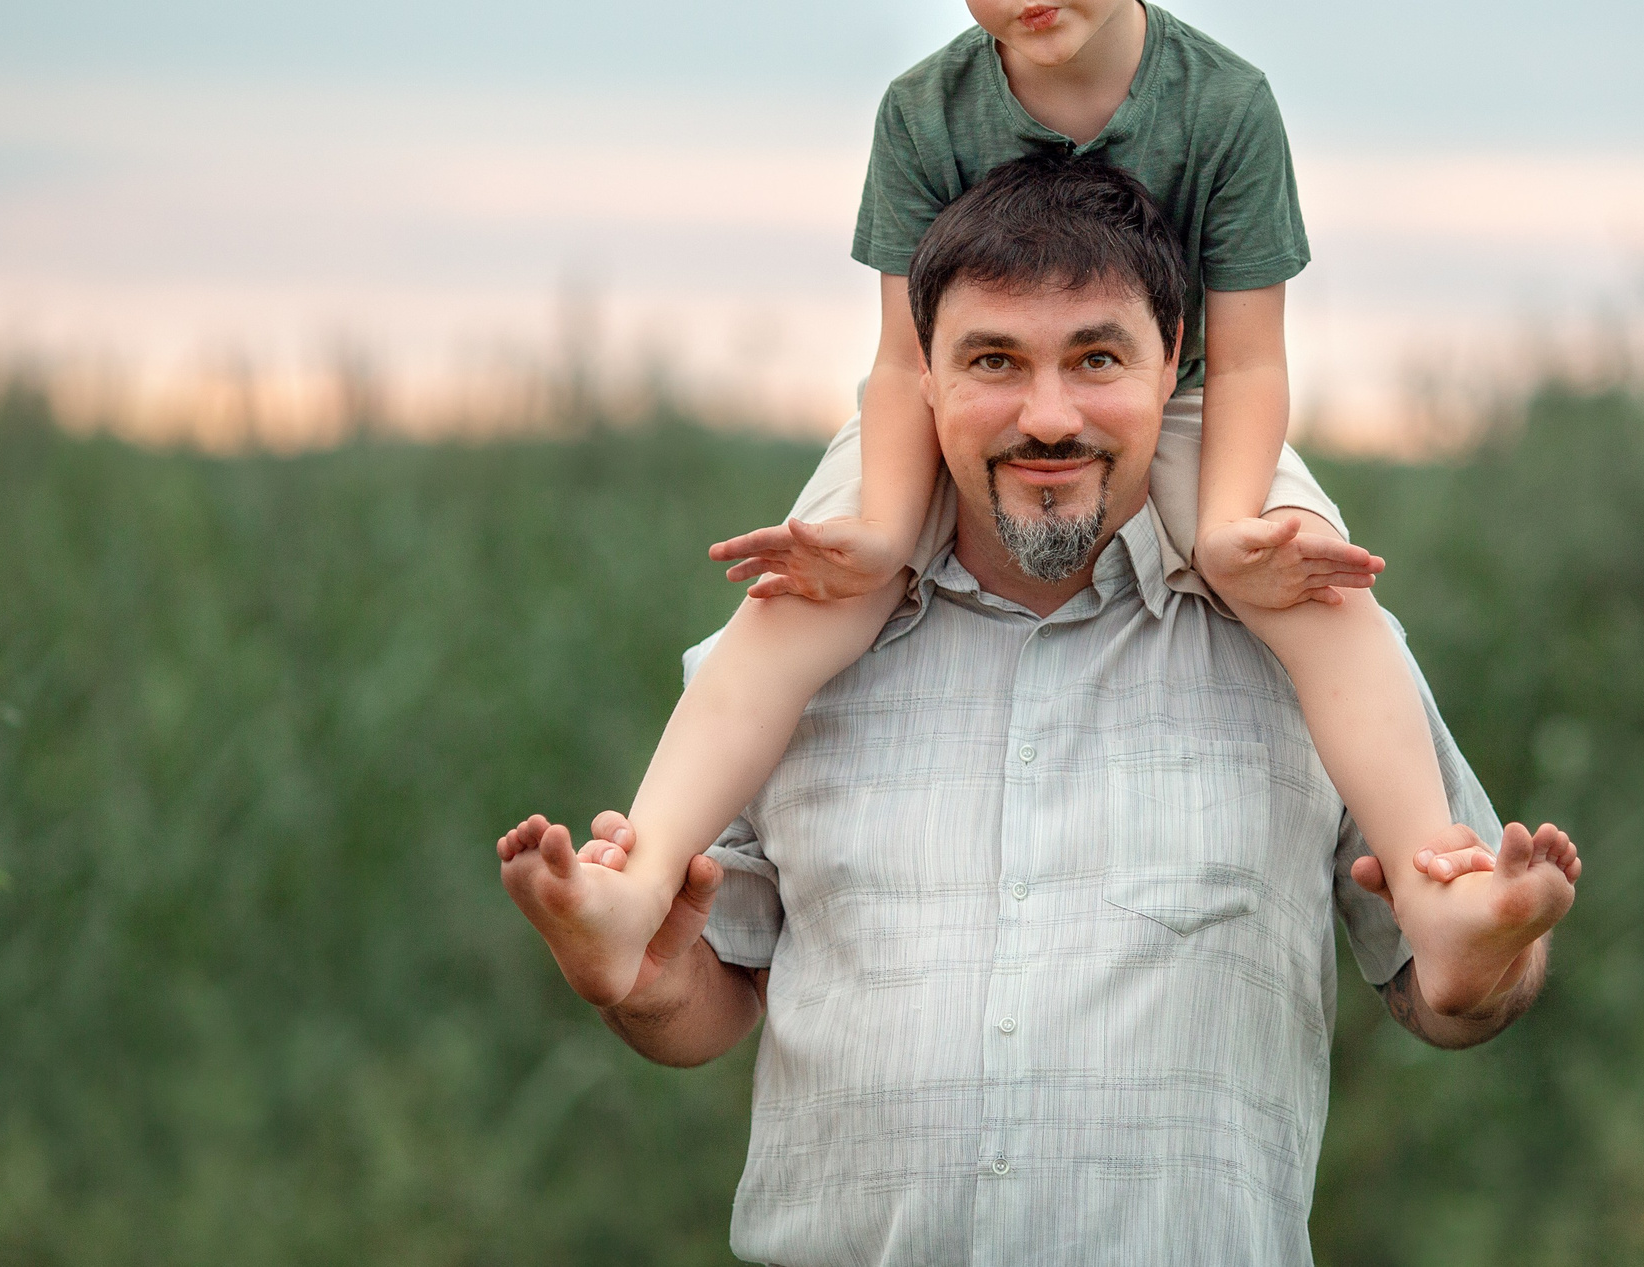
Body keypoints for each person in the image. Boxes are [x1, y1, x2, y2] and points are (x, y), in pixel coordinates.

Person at [520, 0, 1521, 1010]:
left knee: (1322, 596)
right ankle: (633, 880)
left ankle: (1441, 894)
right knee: (800, 593)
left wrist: (1232, 526)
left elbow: (1249, 358)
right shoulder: (922, 112)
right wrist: (882, 530)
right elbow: (902, 362)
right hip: (958, 404)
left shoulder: (1225, 105)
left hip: (1179, 401)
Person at [499, 154, 1581, 1262]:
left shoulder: (1326, 650)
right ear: (923, 377)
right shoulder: (780, 658)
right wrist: (638, 981)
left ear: (1175, 365)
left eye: (1096, 358)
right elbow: (712, 1004)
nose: (1049, 417)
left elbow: (1442, 982)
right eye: (994, 361)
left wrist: (1493, 960)